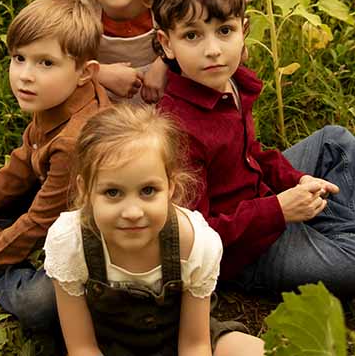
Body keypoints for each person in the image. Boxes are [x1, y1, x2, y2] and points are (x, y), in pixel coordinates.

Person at [153, 0, 355, 303]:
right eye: (192, 35)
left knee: (335, 142)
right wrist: (278, 210)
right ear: (167, 43)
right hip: (244, 252)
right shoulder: (177, 128)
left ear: (243, 30)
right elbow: (195, 234)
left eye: (224, 31)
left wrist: (296, 179)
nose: (213, 49)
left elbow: (252, 156)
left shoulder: (228, 83)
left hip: (260, 199)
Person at [0, 0, 110, 331]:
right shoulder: (58, 98)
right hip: (62, 204)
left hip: (96, 237)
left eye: (46, 63)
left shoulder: (74, 140)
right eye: (19, 58)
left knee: (39, 304)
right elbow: (22, 160)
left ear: (85, 73)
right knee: (25, 180)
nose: (25, 76)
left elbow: (41, 220)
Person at [44, 104, 264, 356]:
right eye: (112, 192)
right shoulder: (70, 241)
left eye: (148, 191)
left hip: (179, 339)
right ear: (85, 190)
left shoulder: (193, 242)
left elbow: (194, 344)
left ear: (170, 186)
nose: (133, 212)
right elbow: (82, 347)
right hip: (108, 347)